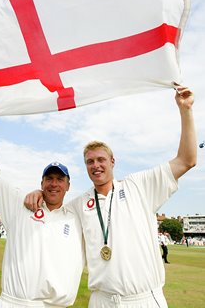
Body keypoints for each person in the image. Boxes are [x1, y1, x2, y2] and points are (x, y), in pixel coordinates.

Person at [25, 84, 197, 308]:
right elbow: (54, 205)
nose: (95, 166)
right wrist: (40, 191)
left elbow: (187, 160)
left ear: (112, 162)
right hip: (101, 300)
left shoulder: (139, 186)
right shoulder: (78, 205)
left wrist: (186, 110)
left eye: (100, 160)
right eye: (90, 162)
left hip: (143, 298)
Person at [0, 113, 85, 308]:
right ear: (41, 183)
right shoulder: (20, 204)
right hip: (14, 303)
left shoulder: (76, 217)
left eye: (60, 179)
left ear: (68, 186)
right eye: (49, 179)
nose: (54, 184)